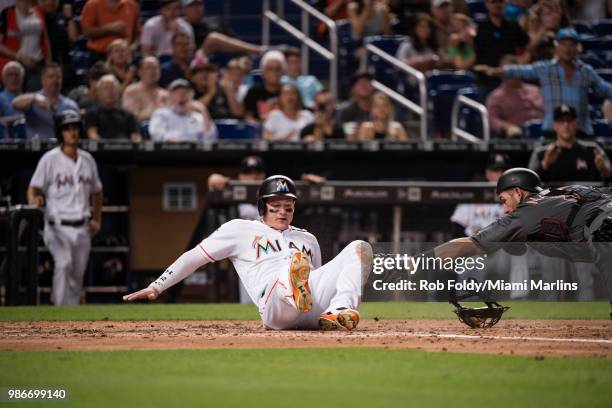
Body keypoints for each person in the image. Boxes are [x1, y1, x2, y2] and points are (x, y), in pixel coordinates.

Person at [124, 174, 373, 331]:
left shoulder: (307, 238)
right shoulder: (240, 229)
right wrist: (157, 285)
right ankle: (294, 287)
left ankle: (339, 311)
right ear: (262, 207)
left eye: (288, 207)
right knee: (295, 267)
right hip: (275, 308)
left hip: (309, 310)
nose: (282, 212)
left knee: (360, 248)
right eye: (275, 206)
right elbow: (194, 257)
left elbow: (317, 278)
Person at [428, 167, 612, 304]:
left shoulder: (526, 211)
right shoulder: (567, 190)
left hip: (605, 226)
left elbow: (470, 243)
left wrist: (416, 261)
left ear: (518, 192)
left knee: (602, 232)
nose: (505, 209)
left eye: (504, 201)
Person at [27, 110, 103, 305]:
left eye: (75, 128)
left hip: (82, 226)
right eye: (67, 129)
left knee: (77, 276)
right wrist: (34, 200)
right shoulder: (50, 159)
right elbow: (33, 188)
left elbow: (97, 191)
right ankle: (59, 314)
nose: (72, 133)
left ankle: (70, 321)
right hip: (56, 225)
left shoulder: (87, 159)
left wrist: (97, 219)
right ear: (60, 132)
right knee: (63, 264)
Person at [479, 28, 612, 137]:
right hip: (552, 131)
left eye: (571, 45)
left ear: (577, 48)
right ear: (556, 47)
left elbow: (606, 90)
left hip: (581, 131)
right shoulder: (545, 68)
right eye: (564, 44)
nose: (567, 49)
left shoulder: (586, 71)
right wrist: (494, 71)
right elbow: (519, 70)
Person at [529, 104, 612, 182]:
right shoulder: (541, 153)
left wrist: (603, 169)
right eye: (561, 121)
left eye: (570, 120)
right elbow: (529, 183)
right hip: (552, 196)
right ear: (554, 125)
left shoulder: (593, 150)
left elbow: (609, 174)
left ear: (577, 124)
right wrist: (545, 164)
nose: (566, 125)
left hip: (586, 196)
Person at [473, 0, 530, 100]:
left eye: (500, 1)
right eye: (493, 2)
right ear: (487, 4)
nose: (497, 5)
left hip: (509, 79)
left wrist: (522, 62)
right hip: (486, 80)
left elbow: (526, 46)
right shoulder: (479, 27)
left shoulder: (512, 25)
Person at [12, 63, 78, 138]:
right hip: (36, 147)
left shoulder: (70, 105)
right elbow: (15, 103)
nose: (55, 80)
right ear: (43, 79)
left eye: (58, 77)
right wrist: (35, 97)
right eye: (51, 76)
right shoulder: (32, 100)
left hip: (61, 147)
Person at [486, 54, 543, 138]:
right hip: (517, 137)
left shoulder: (536, 90)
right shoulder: (496, 96)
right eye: (508, 71)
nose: (511, 74)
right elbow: (492, 119)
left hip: (544, 132)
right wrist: (507, 127)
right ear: (501, 73)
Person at [0, 0, 52, 91]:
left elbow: (45, 40)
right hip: (15, 66)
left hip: (37, 64)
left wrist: (48, 64)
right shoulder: (7, 13)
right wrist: (18, 56)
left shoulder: (39, 11)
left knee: (36, 96)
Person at [182, 0, 264, 55]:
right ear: (184, 9)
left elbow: (234, 39)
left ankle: (256, 51)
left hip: (227, 58)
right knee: (213, 39)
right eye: (192, 6)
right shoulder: (183, 26)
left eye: (199, 4)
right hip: (201, 58)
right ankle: (259, 50)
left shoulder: (216, 20)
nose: (196, 9)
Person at [149, 78, 217, 142]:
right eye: (176, 93)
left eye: (185, 93)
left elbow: (210, 139)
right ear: (170, 96)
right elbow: (156, 134)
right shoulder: (161, 114)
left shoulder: (198, 117)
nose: (181, 96)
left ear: (191, 95)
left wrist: (204, 111)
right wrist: (173, 140)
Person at [84, 74, 140, 141]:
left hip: (125, 149)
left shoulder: (128, 115)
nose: (110, 91)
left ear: (118, 91)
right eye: (106, 88)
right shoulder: (92, 114)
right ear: (99, 92)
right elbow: (92, 135)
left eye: (113, 88)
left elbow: (136, 137)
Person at [189, 55, 243, 119]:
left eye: (208, 70)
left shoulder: (222, 88)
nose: (205, 74)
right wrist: (211, 92)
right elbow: (191, 110)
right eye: (200, 71)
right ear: (192, 77)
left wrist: (229, 91)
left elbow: (238, 113)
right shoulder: (189, 90)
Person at [122, 56, 169, 123]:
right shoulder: (131, 91)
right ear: (140, 72)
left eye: (155, 68)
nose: (153, 71)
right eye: (148, 67)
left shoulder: (166, 94)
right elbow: (131, 118)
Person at [243, 50, 284, 122]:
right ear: (263, 72)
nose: (274, 72)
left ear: (283, 71)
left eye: (278, 69)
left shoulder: (289, 92)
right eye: (270, 69)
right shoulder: (253, 92)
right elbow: (248, 116)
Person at [337, 71, 374, 137]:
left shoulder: (380, 107)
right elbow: (347, 134)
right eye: (360, 83)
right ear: (353, 89)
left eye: (367, 82)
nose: (364, 86)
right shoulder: (346, 111)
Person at [0, 61, 24, 137]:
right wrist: (18, 118)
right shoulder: (1, 98)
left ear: (22, 78)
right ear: (3, 79)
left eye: (17, 75)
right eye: (10, 75)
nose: (14, 78)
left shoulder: (30, 98)